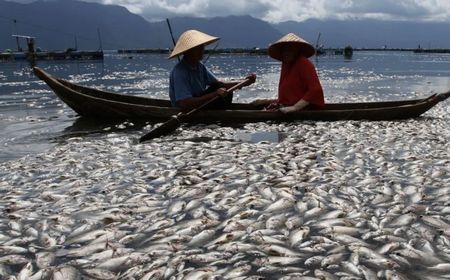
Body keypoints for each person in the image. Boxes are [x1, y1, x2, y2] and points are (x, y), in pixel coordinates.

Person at [169, 29, 256, 110]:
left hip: (199, 104)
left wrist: (244, 82)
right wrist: (214, 94)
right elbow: (184, 103)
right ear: (188, 51)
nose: (202, 50)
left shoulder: (200, 66)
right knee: (219, 91)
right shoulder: (179, 72)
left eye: (202, 47)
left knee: (223, 89)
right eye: (198, 48)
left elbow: (219, 84)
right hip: (187, 108)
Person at [252, 33, 324, 113]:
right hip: (288, 106)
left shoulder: (304, 63)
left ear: (297, 51)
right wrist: (264, 101)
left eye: (290, 49)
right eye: (284, 50)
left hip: (306, 108)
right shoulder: (286, 64)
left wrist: (295, 107)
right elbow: (287, 98)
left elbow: (315, 90)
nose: (287, 53)